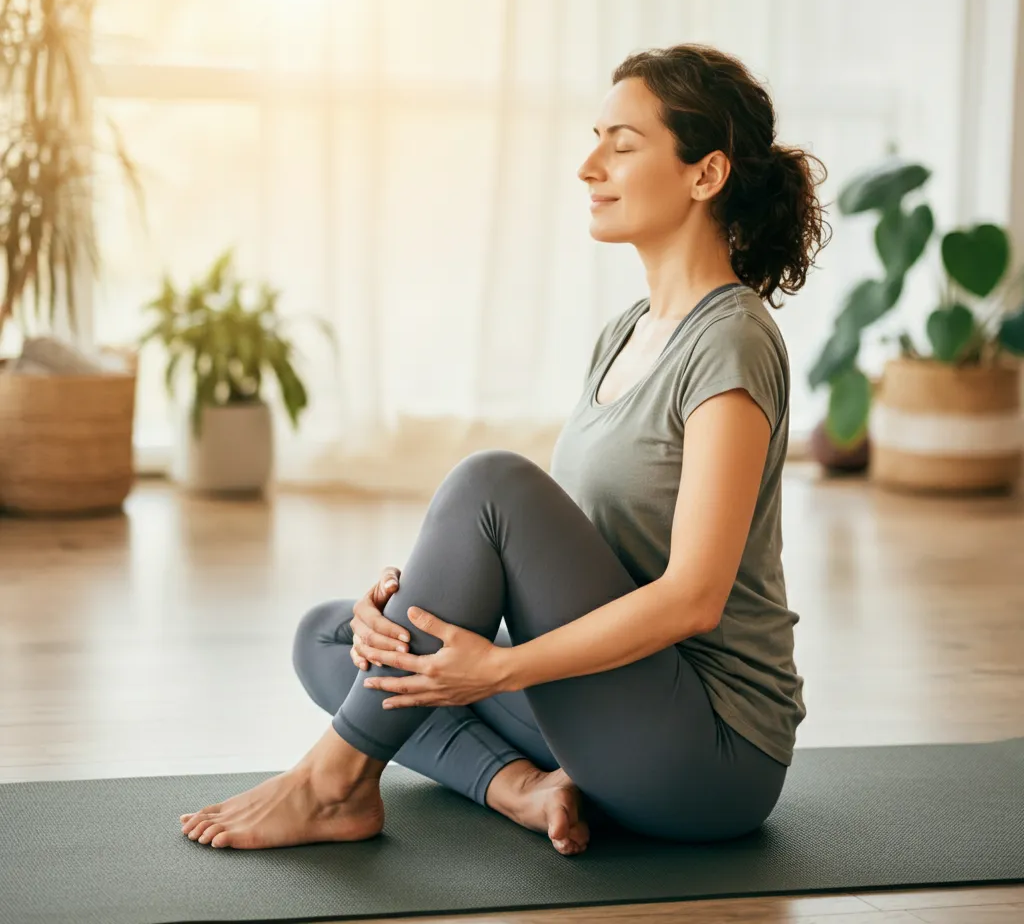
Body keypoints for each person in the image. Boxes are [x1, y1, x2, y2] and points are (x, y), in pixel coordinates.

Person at [178, 42, 830, 855]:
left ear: (706, 175)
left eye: (622, 144)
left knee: (493, 483)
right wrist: (416, 606)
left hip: (706, 752)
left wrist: (497, 671)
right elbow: (583, 557)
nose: (589, 165)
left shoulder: (731, 339)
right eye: (594, 139)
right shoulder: (626, 332)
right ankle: (522, 788)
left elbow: (693, 598)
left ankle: (330, 784)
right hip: (609, 715)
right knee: (335, 638)